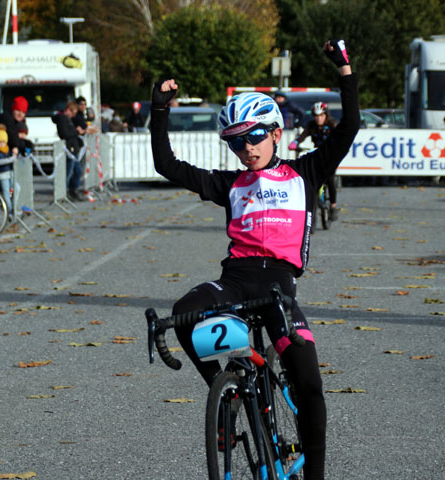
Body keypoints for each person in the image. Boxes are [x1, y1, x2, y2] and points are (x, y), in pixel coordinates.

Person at [150, 39, 359, 479]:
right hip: (236, 280)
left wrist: (344, 72)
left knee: (311, 386)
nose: (246, 149)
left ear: (276, 132)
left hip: (278, 290)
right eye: (236, 143)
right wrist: (160, 111)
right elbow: (167, 164)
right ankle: (224, 400)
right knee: (184, 313)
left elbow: (349, 127)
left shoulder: (306, 172)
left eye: (254, 137)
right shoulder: (231, 183)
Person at [289, 101, 340, 220]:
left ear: (326, 115)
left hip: (330, 155)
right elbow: (303, 135)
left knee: (330, 180)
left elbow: (339, 138)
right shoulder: (312, 125)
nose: (318, 119)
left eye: (321, 116)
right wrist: (296, 142)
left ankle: (333, 206)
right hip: (318, 154)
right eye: (316, 116)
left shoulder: (332, 125)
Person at [52, 101, 85, 201]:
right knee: (68, 172)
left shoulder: (68, 119)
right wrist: (76, 132)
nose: (74, 115)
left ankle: (73, 190)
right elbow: (64, 134)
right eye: (73, 113)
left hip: (73, 148)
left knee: (78, 171)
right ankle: (64, 192)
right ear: (68, 110)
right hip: (69, 148)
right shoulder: (63, 119)